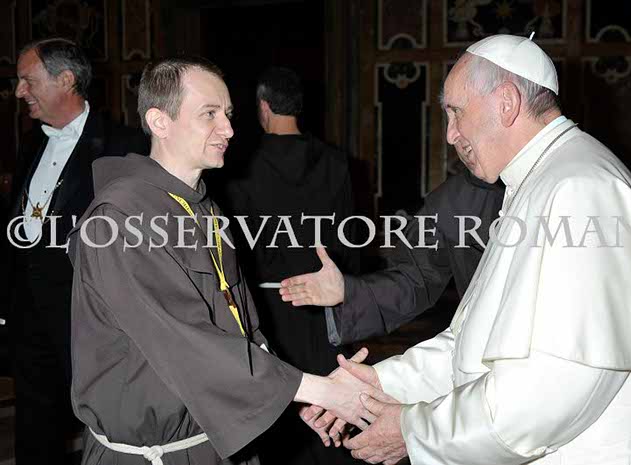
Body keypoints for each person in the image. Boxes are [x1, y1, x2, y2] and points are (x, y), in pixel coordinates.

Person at [307, 34, 631, 465]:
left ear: (507, 103)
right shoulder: (541, 178)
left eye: (456, 112)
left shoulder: (578, 188)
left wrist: (413, 431)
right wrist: (379, 385)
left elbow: (548, 393)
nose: (451, 134)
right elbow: (477, 343)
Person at [68, 56, 386, 465]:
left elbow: (241, 326)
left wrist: (288, 399)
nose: (230, 129)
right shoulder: (118, 219)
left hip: (217, 440)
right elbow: (186, 341)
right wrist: (317, 389)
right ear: (160, 122)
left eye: (229, 114)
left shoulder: (206, 209)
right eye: (209, 114)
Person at [0, 37, 147, 465]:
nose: (19, 91)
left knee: (108, 425)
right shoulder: (31, 142)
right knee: (34, 429)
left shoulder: (124, 146)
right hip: (29, 313)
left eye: (28, 81)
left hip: (87, 314)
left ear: (65, 80)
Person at [222, 66, 361, 464]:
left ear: (263, 106)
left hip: (267, 311)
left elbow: (234, 248)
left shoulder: (241, 166)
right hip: (325, 308)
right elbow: (350, 243)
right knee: (328, 410)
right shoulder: (335, 162)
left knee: (279, 416)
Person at [279, 161, 503, 344]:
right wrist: (348, 291)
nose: (451, 136)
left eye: (459, 118)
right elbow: (415, 278)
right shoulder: (456, 198)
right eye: (448, 122)